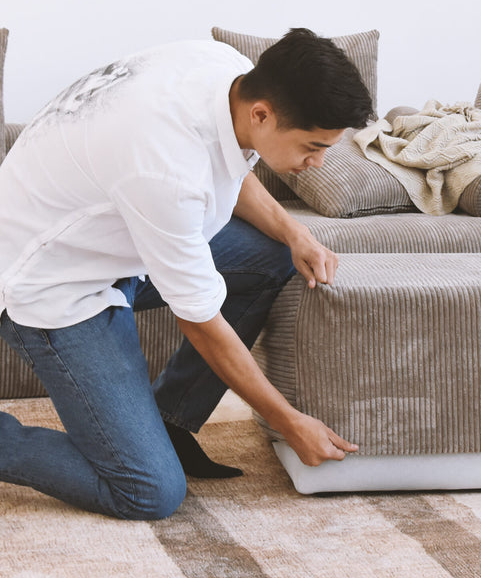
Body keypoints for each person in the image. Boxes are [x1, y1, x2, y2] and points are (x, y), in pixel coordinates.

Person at [0, 28, 373, 520]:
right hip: (52, 279)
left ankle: (168, 419)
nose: (318, 162)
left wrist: (294, 232)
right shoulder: (164, 168)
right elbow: (201, 323)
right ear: (262, 114)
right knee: (148, 491)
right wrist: (288, 421)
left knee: (273, 256)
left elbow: (223, 167)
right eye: (313, 146)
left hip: (122, 240)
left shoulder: (225, 69)